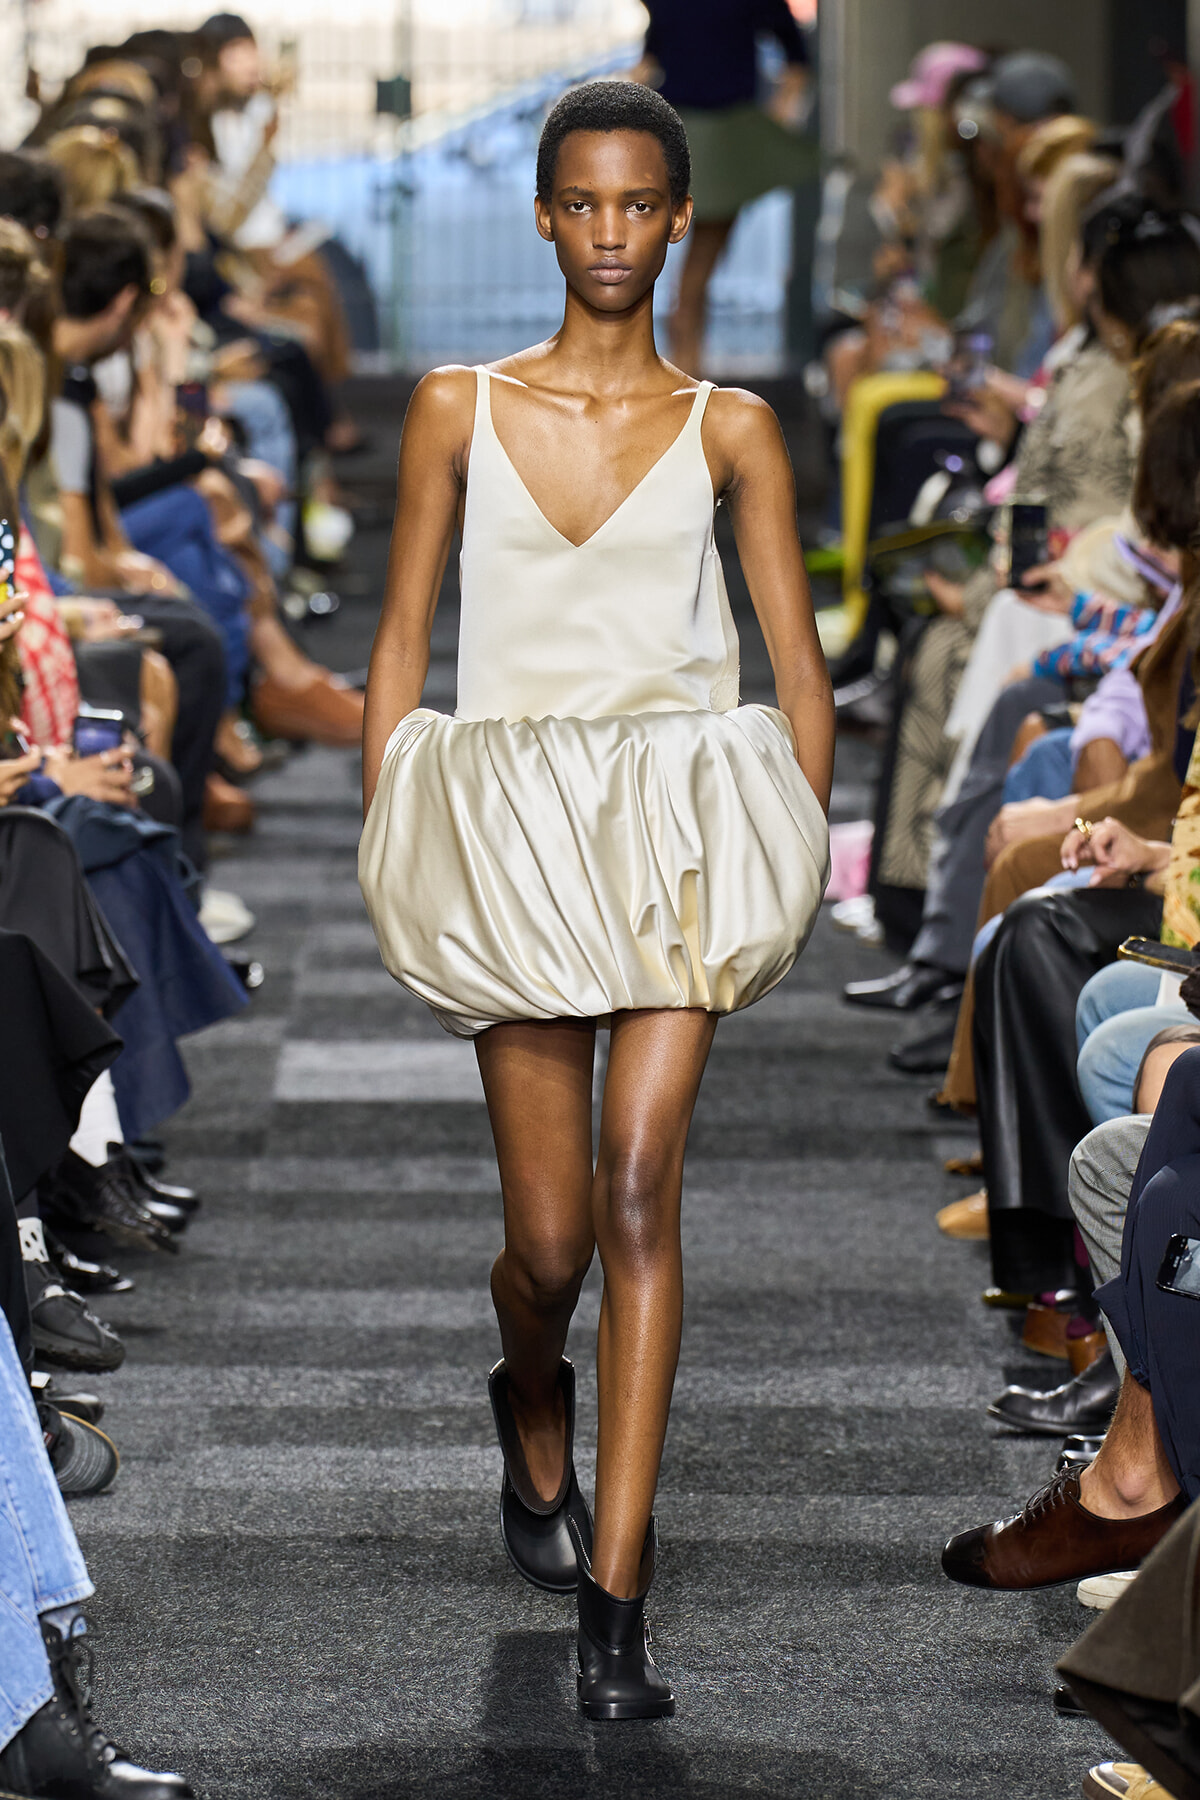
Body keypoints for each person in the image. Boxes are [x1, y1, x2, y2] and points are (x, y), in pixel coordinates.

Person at [360, 79, 832, 1719]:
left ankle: (616, 1619)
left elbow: (797, 663)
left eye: (644, 204)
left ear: (677, 219)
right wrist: (394, 831)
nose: (616, 231)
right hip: (509, 825)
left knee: (640, 1195)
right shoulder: (451, 409)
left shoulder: (734, 427)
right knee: (548, 1243)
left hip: (677, 831)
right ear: (548, 217)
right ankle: (529, 1391)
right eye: (589, 204)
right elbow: (403, 639)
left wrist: (792, 836)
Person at [632, 2, 815, 375]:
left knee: (690, 269)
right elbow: (796, 63)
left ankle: (683, 375)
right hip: (702, 134)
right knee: (696, 267)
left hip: (705, 135)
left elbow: (649, 64)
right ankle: (684, 375)